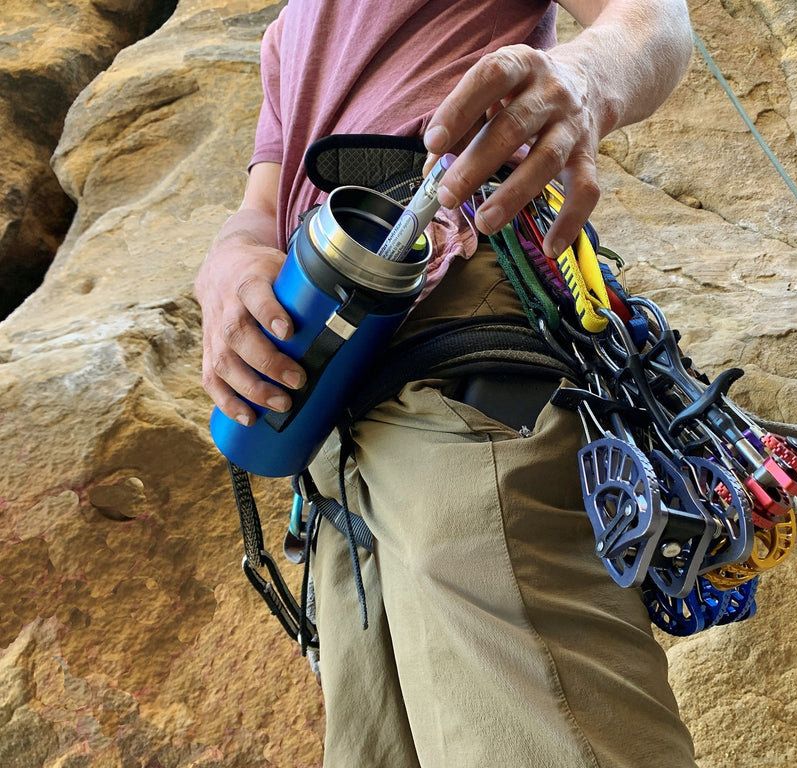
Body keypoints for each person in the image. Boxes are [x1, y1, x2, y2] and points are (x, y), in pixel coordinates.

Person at [194, 1, 697, 765]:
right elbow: (261, 209)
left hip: (459, 324)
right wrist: (227, 264)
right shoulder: (288, 31)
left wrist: (583, 76)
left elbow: (655, 18)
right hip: (331, 423)